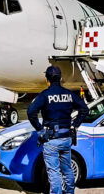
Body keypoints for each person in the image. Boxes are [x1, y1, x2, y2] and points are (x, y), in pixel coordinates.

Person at [27, 65, 89, 194]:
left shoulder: (45, 95)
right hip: (66, 138)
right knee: (67, 169)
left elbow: (31, 112)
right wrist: (75, 124)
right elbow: (84, 109)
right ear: (60, 78)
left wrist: (39, 129)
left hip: (51, 140)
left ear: (47, 79)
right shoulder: (69, 94)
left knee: (54, 172)